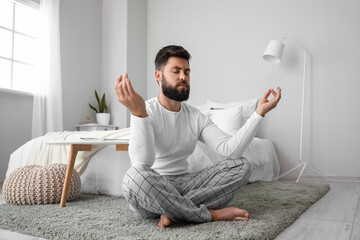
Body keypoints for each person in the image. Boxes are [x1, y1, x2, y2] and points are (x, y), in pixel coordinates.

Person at [115, 45, 281, 228]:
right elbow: (142, 163)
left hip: (185, 183)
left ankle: (173, 211)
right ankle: (208, 215)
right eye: (176, 71)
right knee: (134, 177)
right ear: (158, 76)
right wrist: (139, 114)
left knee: (241, 165)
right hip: (153, 187)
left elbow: (230, 151)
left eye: (187, 72)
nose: (183, 77)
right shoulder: (146, 110)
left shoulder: (196, 117)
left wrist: (258, 113)